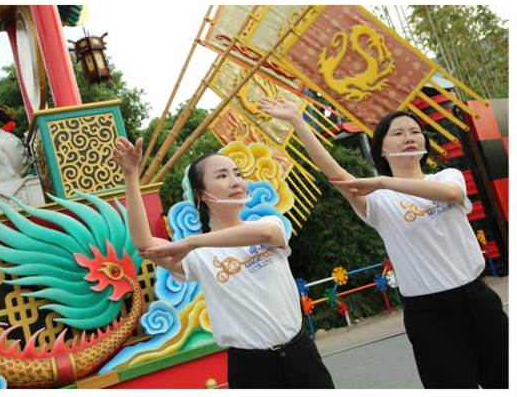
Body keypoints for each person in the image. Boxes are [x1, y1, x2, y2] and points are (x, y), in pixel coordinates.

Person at [260, 98, 508, 388]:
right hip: (429, 315)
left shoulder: (445, 177)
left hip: (477, 300)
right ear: (381, 148)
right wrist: (298, 121)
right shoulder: (379, 201)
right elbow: (337, 175)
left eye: (414, 131)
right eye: (398, 133)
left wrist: (382, 182)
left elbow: (452, 194)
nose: (409, 137)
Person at [115, 136, 335, 388]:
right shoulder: (198, 256)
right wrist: (130, 175)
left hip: (301, 353)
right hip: (252, 368)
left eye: (237, 174)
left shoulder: (267, 224)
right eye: (221, 176)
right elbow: (144, 242)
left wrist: (192, 242)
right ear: (200, 194)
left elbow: (266, 235)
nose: (235, 181)